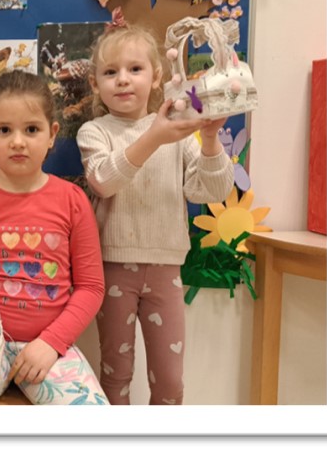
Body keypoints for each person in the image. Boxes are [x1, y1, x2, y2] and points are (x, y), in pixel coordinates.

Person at [76, 21, 234, 405]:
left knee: (170, 381)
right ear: (95, 84)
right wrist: (153, 137)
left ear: (157, 76)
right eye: (110, 72)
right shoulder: (94, 132)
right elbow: (103, 181)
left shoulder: (179, 132)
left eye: (135, 69)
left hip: (166, 269)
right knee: (115, 375)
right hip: (113, 267)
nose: (123, 79)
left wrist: (209, 139)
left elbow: (211, 191)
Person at [0, 70, 108, 405]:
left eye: (31, 129)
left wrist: (51, 343)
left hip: (49, 348)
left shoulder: (72, 201)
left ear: (51, 134)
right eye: (4, 130)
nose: (17, 141)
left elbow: (91, 288)